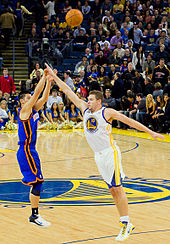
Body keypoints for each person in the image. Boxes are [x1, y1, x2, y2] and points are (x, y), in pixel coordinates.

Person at [45, 63, 164, 242]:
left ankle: (126, 223)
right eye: (88, 99)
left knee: (118, 187)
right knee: (112, 190)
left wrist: (151, 132)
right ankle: (125, 223)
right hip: (98, 156)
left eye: (91, 100)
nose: (88, 101)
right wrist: (54, 78)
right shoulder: (84, 109)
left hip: (110, 153)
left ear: (99, 101)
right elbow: (68, 92)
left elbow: (130, 122)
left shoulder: (107, 112)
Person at [17, 69, 51, 227]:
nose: (32, 99)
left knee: (37, 182)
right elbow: (37, 93)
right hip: (25, 150)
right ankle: (34, 215)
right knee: (38, 182)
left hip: (31, 150)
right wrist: (44, 76)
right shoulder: (24, 111)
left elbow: (43, 97)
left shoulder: (33, 110)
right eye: (28, 98)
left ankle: (34, 215)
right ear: (23, 102)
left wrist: (49, 82)